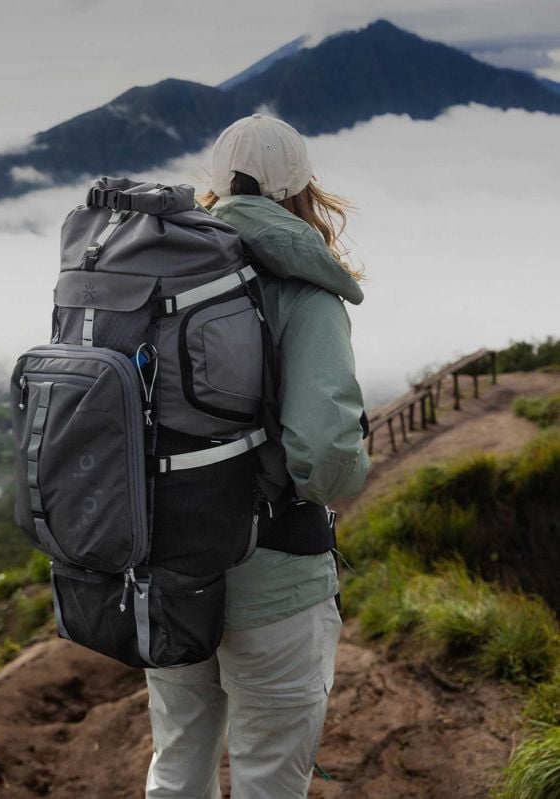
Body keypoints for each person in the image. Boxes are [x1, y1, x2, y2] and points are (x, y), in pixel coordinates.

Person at [144, 113, 370, 799]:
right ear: (305, 187)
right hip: (273, 583)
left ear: (214, 182)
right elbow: (326, 456)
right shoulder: (305, 289)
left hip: (168, 570)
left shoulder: (157, 277)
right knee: (270, 776)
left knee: (178, 762)